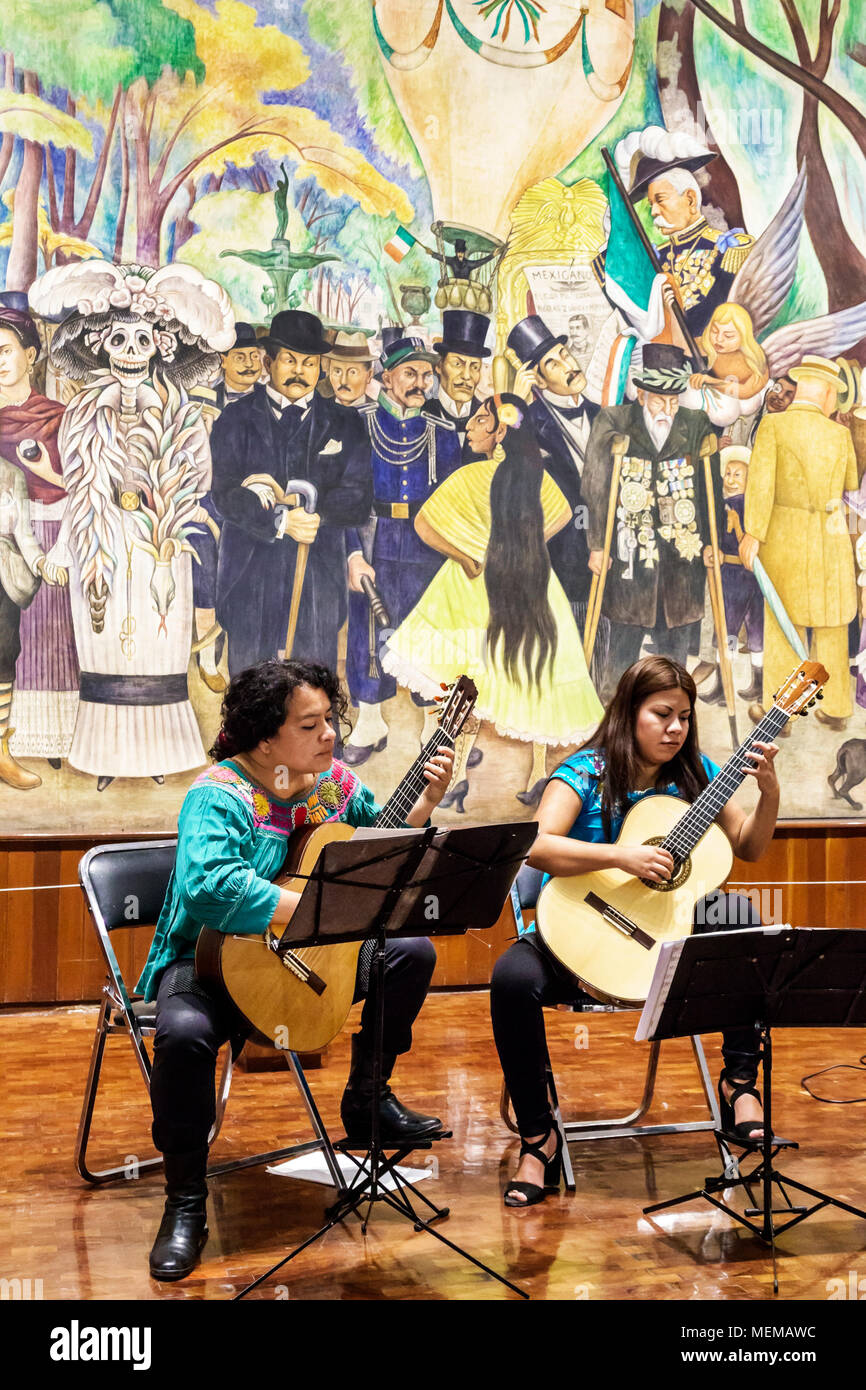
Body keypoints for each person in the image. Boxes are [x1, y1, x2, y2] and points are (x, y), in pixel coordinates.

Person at [137, 658, 454, 1280]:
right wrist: (314, 909)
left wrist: (425, 805)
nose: (330, 735)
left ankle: (367, 1100)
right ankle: (185, 1202)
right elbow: (208, 887)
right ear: (265, 739)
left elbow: (374, 852)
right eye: (311, 725)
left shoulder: (332, 782)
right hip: (207, 964)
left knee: (411, 952)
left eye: (330, 720)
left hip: (309, 962)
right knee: (183, 1036)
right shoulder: (217, 795)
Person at [490, 656, 780, 1207]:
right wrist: (622, 856)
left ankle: (739, 1084)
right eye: (663, 714)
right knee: (509, 977)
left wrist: (769, 793)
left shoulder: (700, 774)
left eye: (686, 717)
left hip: (661, 941)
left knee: (743, 920)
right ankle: (538, 1137)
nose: (676, 728)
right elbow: (535, 844)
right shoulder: (585, 770)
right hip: (580, 929)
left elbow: (750, 846)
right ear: (630, 712)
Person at [381, 394, 602, 810]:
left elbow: (423, 524)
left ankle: (462, 785)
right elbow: (559, 516)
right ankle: (496, 784)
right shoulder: (538, 477)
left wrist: (466, 556)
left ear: (501, 432)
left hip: (473, 590)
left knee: (474, 690)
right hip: (531, 586)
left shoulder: (471, 477)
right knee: (517, 686)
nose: (469, 428)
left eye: (480, 421)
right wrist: (524, 548)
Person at [211, 309, 372, 677]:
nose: (300, 371)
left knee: (313, 691)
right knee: (252, 693)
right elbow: (224, 493)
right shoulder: (235, 420)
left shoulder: (346, 424)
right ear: (269, 362)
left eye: (310, 363)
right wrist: (281, 521)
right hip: (251, 578)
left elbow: (358, 499)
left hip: (318, 581)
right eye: (290, 360)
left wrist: (311, 510)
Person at [582, 343, 723, 700]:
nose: (668, 409)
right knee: (624, 644)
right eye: (660, 400)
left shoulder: (696, 424)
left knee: (674, 649)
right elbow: (595, 486)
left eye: (674, 401)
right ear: (642, 394)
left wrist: (713, 543)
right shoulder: (614, 421)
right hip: (632, 555)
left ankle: (668, 713)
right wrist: (597, 544)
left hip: (681, 557)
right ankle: (611, 715)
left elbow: (713, 491)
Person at [741, 354, 858, 732]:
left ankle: (782, 715)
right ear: (825, 392)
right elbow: (852, 487)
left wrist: (752, 534)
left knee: (782, 621)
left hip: (785, 535)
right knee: (832, 624)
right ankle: (837, 707)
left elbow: (760, 487)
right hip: (832, 535)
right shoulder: (840, 434)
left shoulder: (775, 427)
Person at [0, 294, 77, 775]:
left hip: (52, 535)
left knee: (48, 644)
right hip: (8, 541)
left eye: (5, 349)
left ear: (31, 354)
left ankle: (51, 739)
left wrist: (48, 470)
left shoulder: (58, 416)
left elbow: (90, 488)